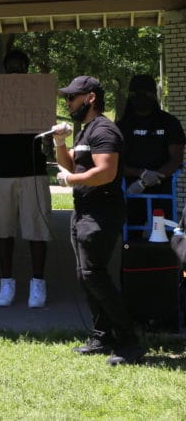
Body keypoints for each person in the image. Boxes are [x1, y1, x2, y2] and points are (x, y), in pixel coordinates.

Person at [54, 76, 145, 366]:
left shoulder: (105, 130)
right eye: (66, 98)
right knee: (86, 275)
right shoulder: (85, 131)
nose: (67, 103)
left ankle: (129, 342)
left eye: (72, 98)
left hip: (102, 212)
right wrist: (60, 143)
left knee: (95, 275)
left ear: (90, 98)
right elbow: (72, 162)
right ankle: (102, 336)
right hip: (83, 211)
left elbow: (105, 172)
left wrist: (70, 180)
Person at [0, 49, 51, 308]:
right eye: (10, 67)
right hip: (2, 171)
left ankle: (38, 284)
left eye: (19, 67)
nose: (15, 71)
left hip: (33, 170)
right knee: (3, 230)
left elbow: (47, 131)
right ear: (5, 70)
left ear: (26, 68)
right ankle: (6, 283)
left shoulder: (38, 96)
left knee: (37, 230)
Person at [116, 74, 184, 239]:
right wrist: (140, 175)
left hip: (162, 188)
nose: (140, 98)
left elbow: (176, 159)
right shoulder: (121, 126)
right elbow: (115, 161)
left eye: (145, 94)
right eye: (135, 94)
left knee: (165, 236)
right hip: (131, 189)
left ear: (153, 95)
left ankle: (166, 264)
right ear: (130, 96)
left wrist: (153, 177)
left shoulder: (169, 122)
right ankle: (130, 263)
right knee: (130, 237)